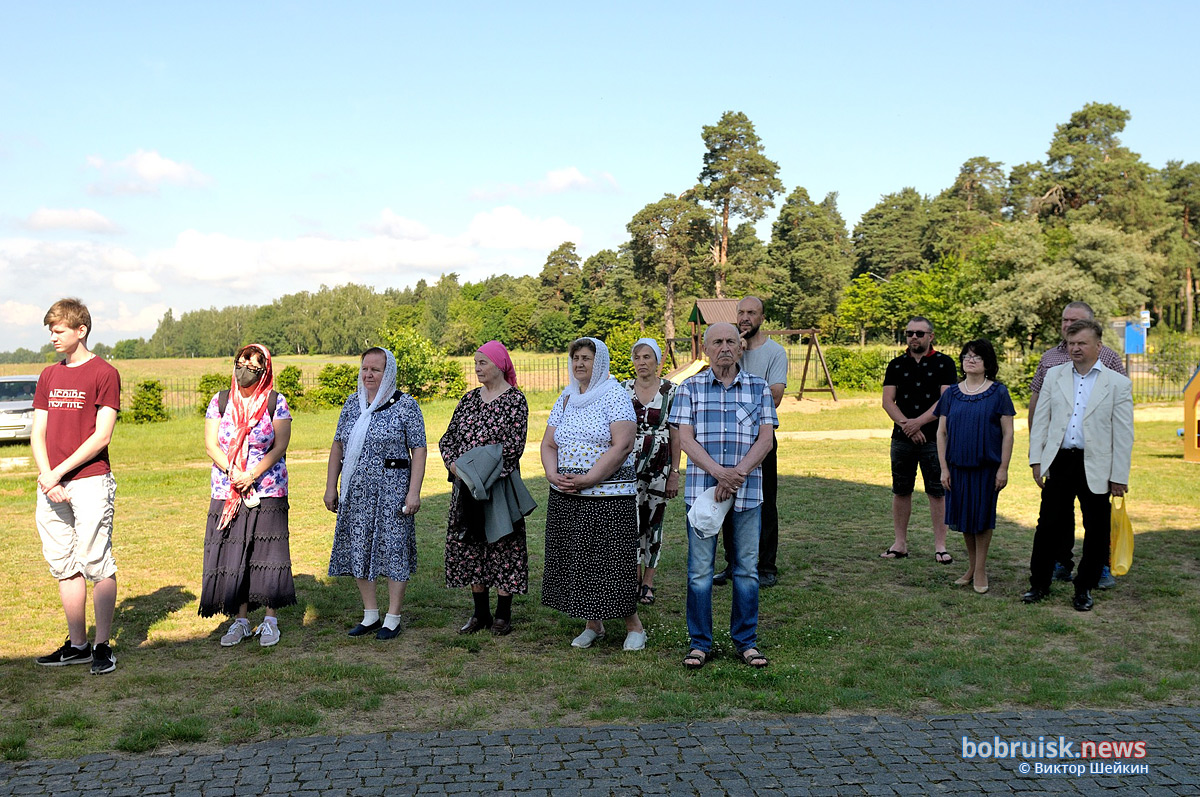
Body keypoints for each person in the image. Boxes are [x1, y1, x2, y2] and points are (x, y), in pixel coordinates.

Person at [669, 323, 777, 670]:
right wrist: (720, 473)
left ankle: (746, 642)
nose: (725, 347)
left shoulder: (759, 388)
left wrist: (737, 475)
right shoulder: (690, 388)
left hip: (748, 495)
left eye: (732, 341)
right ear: (706, 348)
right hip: (704, 492)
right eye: (717, 342)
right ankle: (699, 643)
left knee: (747, 570)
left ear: (741, 347)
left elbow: (766, 440)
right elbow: (685, 439)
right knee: (700, 571)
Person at [31, 298, 122, 674]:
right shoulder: (49, 375)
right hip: (51, 485)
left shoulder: (104, 373)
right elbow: (38, 432)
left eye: (59, 329)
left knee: (96, 562)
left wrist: (59, 473)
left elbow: (101, 436)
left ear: (80, 330)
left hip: (90, 481)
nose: (53, 336)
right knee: (64, 565)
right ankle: (77, 644)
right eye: (51, 330)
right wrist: (47, 476)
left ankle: (102, 646)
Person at [540, 337, 645, 651]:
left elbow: (623, 444)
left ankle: (634, 626)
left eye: (586, 358)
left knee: (612, 561)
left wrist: (590, 478)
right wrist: (551, 473)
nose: (579, 364)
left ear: (599, 362)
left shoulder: (614, 395)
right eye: (575, 358)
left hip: (608, 497)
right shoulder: (567, 397)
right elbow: (548, 443)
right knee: (578, 561)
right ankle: (593, 624)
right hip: (568, 495)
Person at [1024, 319, 1133, 612]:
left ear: (1098, 346)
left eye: (1081, 343)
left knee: (1096, 530)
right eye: (1071, 343)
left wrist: (1119, 476)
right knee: (1047, 525)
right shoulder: (1054, 375)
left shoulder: (1118, 383)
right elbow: (1042, 421)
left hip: (1097, 464)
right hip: (1060, 461)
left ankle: (1084, 587)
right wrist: (1037, 459)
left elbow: (1123, 434)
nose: (1075, 348)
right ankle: (1039, 584)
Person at [324, 348, 427, 640]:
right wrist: (331, 486)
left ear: (388, 373)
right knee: (359, 546)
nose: (368, 374)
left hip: (393, 491)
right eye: (365, 369)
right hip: (356, 492)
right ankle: (370, 614)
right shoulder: (351, 405)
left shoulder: (406, 406)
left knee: (394, 549)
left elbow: (419, 449)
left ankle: (392, 616)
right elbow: (338, 447)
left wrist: (414, 492)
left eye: (376, 369)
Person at [200, 344, 296, 647]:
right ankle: (240, 621)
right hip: (228, 488)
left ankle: (270, 620)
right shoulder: (220, 401)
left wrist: (251, 475)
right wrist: (234, 472)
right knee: (234, 553)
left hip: (267, 489)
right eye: (242, 362)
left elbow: (280, 445)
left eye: (255, 365)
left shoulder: (275, 402)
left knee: (267, 554)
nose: (246, 368)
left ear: (265, 369)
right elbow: (211, 444)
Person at [440, 341, 532, 636]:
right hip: (465, 487)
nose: (477, 368)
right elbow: (449, 439)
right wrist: (456, 467)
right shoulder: (468, 400)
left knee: (503, 546)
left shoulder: (515, 400)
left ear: (500, 364)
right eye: (475, 363)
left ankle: (503, 614)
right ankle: (480, 613)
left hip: (498, 487)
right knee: (471, 547)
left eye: (483, 363)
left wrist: (480, 474)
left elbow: (513, 447)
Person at [713, 296, 787, 588]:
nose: (745, 318)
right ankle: (734, 563)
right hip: (726, 439)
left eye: (751, 313)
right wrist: (736, 355)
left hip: (760, 439)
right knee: (728, 499)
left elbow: (775, 397)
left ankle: (766, 566)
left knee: (765, 502)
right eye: (741, 312)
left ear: (762, 318)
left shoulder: (775, 352)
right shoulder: (729, 349)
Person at [934, 340, 1016, 594]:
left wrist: (1003, 468)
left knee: (981, 519)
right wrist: (944, 469)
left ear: (987, 363)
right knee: (965, 519)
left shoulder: (998, 392)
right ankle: (971, 567)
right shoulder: (951, 393)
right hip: (957, 468)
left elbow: (1008, 434)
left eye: (977, 357)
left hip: (986, 468)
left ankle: (980, 570)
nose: (970, 360)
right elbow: (941, 433)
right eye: (966, 356)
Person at [880, 316, 958, 562]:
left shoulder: (945, 364)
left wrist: (918, 423)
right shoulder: (896, 364)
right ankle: (900, 543)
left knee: (937, 491)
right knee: (901, 489)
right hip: (902, 438)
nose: (914, 337)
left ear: (931, 336)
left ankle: (940, 546)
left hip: (936, 438)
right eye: (909, 333)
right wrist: (907, 425)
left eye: (919, 333)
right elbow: (887, 401)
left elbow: (945, 400)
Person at [621, 338, 680, 605]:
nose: (642, 362)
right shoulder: (622, 390)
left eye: (647, 357)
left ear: (657, 360)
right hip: (628, 465)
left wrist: (675, 472)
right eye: (637, 357)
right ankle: (632, 580)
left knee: (654, 523)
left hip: (660, 465)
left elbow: (677, 432)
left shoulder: (671, 390)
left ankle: (648, 582)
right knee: (630, 522)